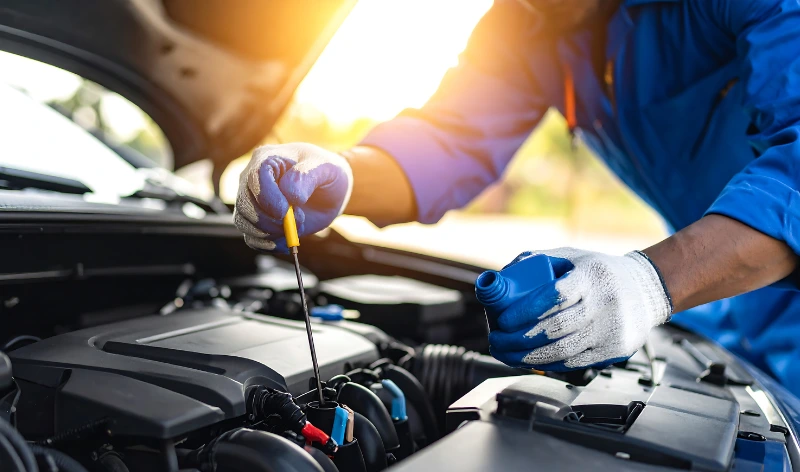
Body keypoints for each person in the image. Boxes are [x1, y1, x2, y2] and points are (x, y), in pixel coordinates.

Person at [233, 0, 800, 393]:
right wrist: (342, 172)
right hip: (732, 304)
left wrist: (650, 282)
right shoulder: (526, 22)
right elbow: (450, 139)